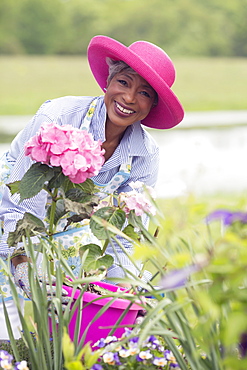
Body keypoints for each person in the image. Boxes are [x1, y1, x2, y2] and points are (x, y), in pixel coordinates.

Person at [0, 35, 184, 339]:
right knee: (10, 338)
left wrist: (130, 293)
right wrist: (24, 268)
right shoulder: (59, 117)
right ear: (109, 81)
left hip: (62, 246)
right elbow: (18, 201)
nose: (129, 98)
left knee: (63, 340)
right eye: (123, 82)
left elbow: (124, 234)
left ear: (152, 105)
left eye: (144, 93)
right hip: (12, 225)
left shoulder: (145, 154)